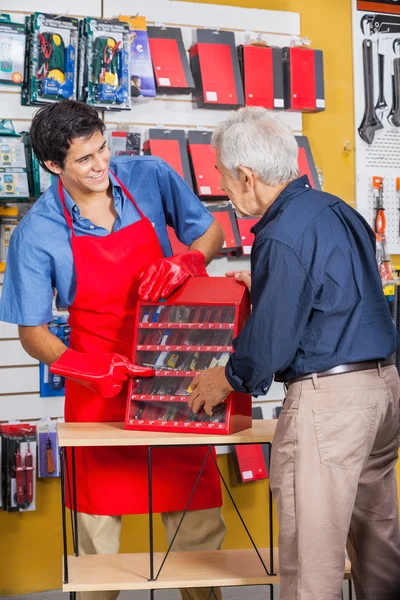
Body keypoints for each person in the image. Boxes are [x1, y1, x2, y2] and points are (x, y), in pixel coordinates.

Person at [0, 100, 226, 600]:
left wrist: (187, 261)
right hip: (97, 392)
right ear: (54, 166)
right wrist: (90, 369)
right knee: (98, 553)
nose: (102, 165)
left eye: (103, 147)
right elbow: (33, 333)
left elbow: (212, 232)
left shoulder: (149, 175)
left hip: (175, 378)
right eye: (85, 159)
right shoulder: (38, 231)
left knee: (198, 535)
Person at [188, 106, 400, 600]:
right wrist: (269, 287)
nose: (223, 187)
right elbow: (334, 296)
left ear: (247, 175)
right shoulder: (337, 209)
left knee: (312, 559)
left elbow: (270, 345)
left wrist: (228, 378)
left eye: (223, 175)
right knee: (378, 541)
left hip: (331, 404)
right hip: (383, 389)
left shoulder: (281, 236)